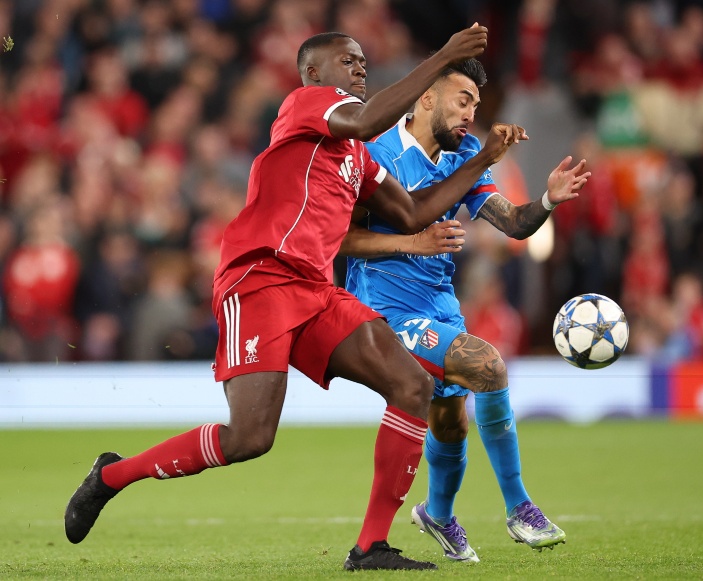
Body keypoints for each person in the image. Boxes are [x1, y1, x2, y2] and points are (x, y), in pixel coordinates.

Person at [64, 26, 529, 572]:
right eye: (347, 60)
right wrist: (445, 57)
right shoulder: (306, 106)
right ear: (313, 72)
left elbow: (412, 212)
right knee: (249, 438)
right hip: (259, 279)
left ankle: (371, 547)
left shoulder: (357, 155)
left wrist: (482, 160)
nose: (359, 67)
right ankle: (112, 474)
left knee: (412, 385)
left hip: (314, 289)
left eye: (362, 60)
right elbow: (365, 118)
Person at [341, 57, 589, 562]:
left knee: (451, 423)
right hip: (383, 309)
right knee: (488, 365)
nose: (470, 115)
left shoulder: (466, 155)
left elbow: (516, 225)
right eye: (462, 101)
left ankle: (437, 513)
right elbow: (342, 239)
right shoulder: (375, 153)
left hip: (439, 306)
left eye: (476, 105)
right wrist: (413, 239)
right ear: (427, 99)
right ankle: (520, 508)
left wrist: (548, 198)